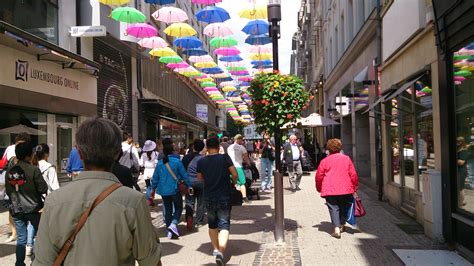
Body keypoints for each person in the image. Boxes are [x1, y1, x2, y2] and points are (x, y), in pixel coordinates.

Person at [34, 117, 161, 265]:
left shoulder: (54, 201)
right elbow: (151, 261)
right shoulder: (134, 201)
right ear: (117, 153)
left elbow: (42, 261)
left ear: (79, 153)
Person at [5, 141, 48, 266]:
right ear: (30, 155)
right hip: (34, 209)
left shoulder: (9, 171)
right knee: (40, 235)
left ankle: (19, 263)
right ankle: (37, 261)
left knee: (21, 239)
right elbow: (43, 189)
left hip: (16, 209)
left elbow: (8, 190)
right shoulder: (34, 170)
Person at [197, 136, 238, 266]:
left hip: (209, 196)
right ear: (218, 146)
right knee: (224, 224)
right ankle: (221, 252)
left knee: (212, 225)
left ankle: (215, 249)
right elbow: (235, 174)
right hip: (224, 195)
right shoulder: (224, 158)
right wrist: (232, 182)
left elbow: (199, 178)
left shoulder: (201, 161)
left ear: (207, 148)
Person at [316, 139, 358, 239]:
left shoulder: (325, 161)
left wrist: (319, 188)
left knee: (333, 208)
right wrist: (355, 187)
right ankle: (342, 225)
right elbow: (353, 175)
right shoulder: (346, 159)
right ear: (340, 148)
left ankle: (336, 228)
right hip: (345, 188)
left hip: (330, 189)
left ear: (328, 149)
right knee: (343, 206)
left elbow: (319, 176)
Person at [151, 138, 191, 239]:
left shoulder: (160, 163)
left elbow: (155, 178)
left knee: (167, 209)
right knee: (178, 207)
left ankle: (169, 230)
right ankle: (173, 224)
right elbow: (184, 175)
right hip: (175, 189)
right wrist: (189, 185)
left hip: (163, 190)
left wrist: (152, 189)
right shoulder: (177, 161)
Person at [26, 144, 60, 257]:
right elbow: (55, 187)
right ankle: (37, 251)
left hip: (33, 199)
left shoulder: (32, 166)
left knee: (32, 223)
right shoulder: (50, 168)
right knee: (43, 227)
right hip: (47, 201)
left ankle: (29, 246)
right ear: (47, 154)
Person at [3, 132, 31, 244]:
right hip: (17, 185)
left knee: (14, 210)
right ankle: (17, 234)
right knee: (14, 210)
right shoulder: (12, 150)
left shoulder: (12, 149)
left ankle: (17, 234)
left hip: (15, 185)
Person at [183, 139, 206, 230]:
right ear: (202, 148)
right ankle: (199, 222)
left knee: (189, 201)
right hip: (201, 183)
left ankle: (189, 219)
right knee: (201, 202)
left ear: (193, 147)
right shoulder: (203, 159)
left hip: (189, 183)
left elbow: (182, 170)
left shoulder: (186, 158)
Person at [227, 134, 250, 203]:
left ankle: (233, 195)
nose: (242, 141)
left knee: (233, 182)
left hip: (230, 167)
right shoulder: (242, 148)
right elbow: (246, 157)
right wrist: (249, 163)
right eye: (241, 139)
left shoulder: (229, 147)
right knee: (242, 183)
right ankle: (244, 197)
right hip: (239, 167)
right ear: (238, 139)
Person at [140, 140, 159, 206]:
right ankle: (151, 199)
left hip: (146, 172)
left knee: (148, 186)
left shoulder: (143, 155)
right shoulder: (156, 154)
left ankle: (149, 200)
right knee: (153, 187)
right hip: (154, 171)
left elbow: (141, 164)